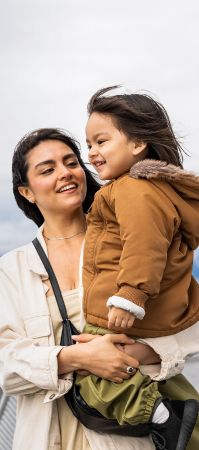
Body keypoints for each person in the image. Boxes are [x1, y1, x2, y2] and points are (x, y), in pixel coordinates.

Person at [0, 127, 199, 449]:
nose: (65, 173)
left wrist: (139, 352)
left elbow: (188, 321)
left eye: (71, 163)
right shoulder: (10, 270)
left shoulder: (133, 243)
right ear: (26, 192)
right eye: (48, 169)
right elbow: (2, 363)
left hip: (129, 436)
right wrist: (77, 357)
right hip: (47, 435)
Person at [77, 86, 199, 449]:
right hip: (148, 318)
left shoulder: (132, 188)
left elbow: (144, 243)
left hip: (124, 315)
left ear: (137, 144)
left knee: (92, 378)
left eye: (101, 141)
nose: (92, 153)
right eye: (88, 144)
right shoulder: (147, 189)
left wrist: (130, 295)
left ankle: (165, 419)